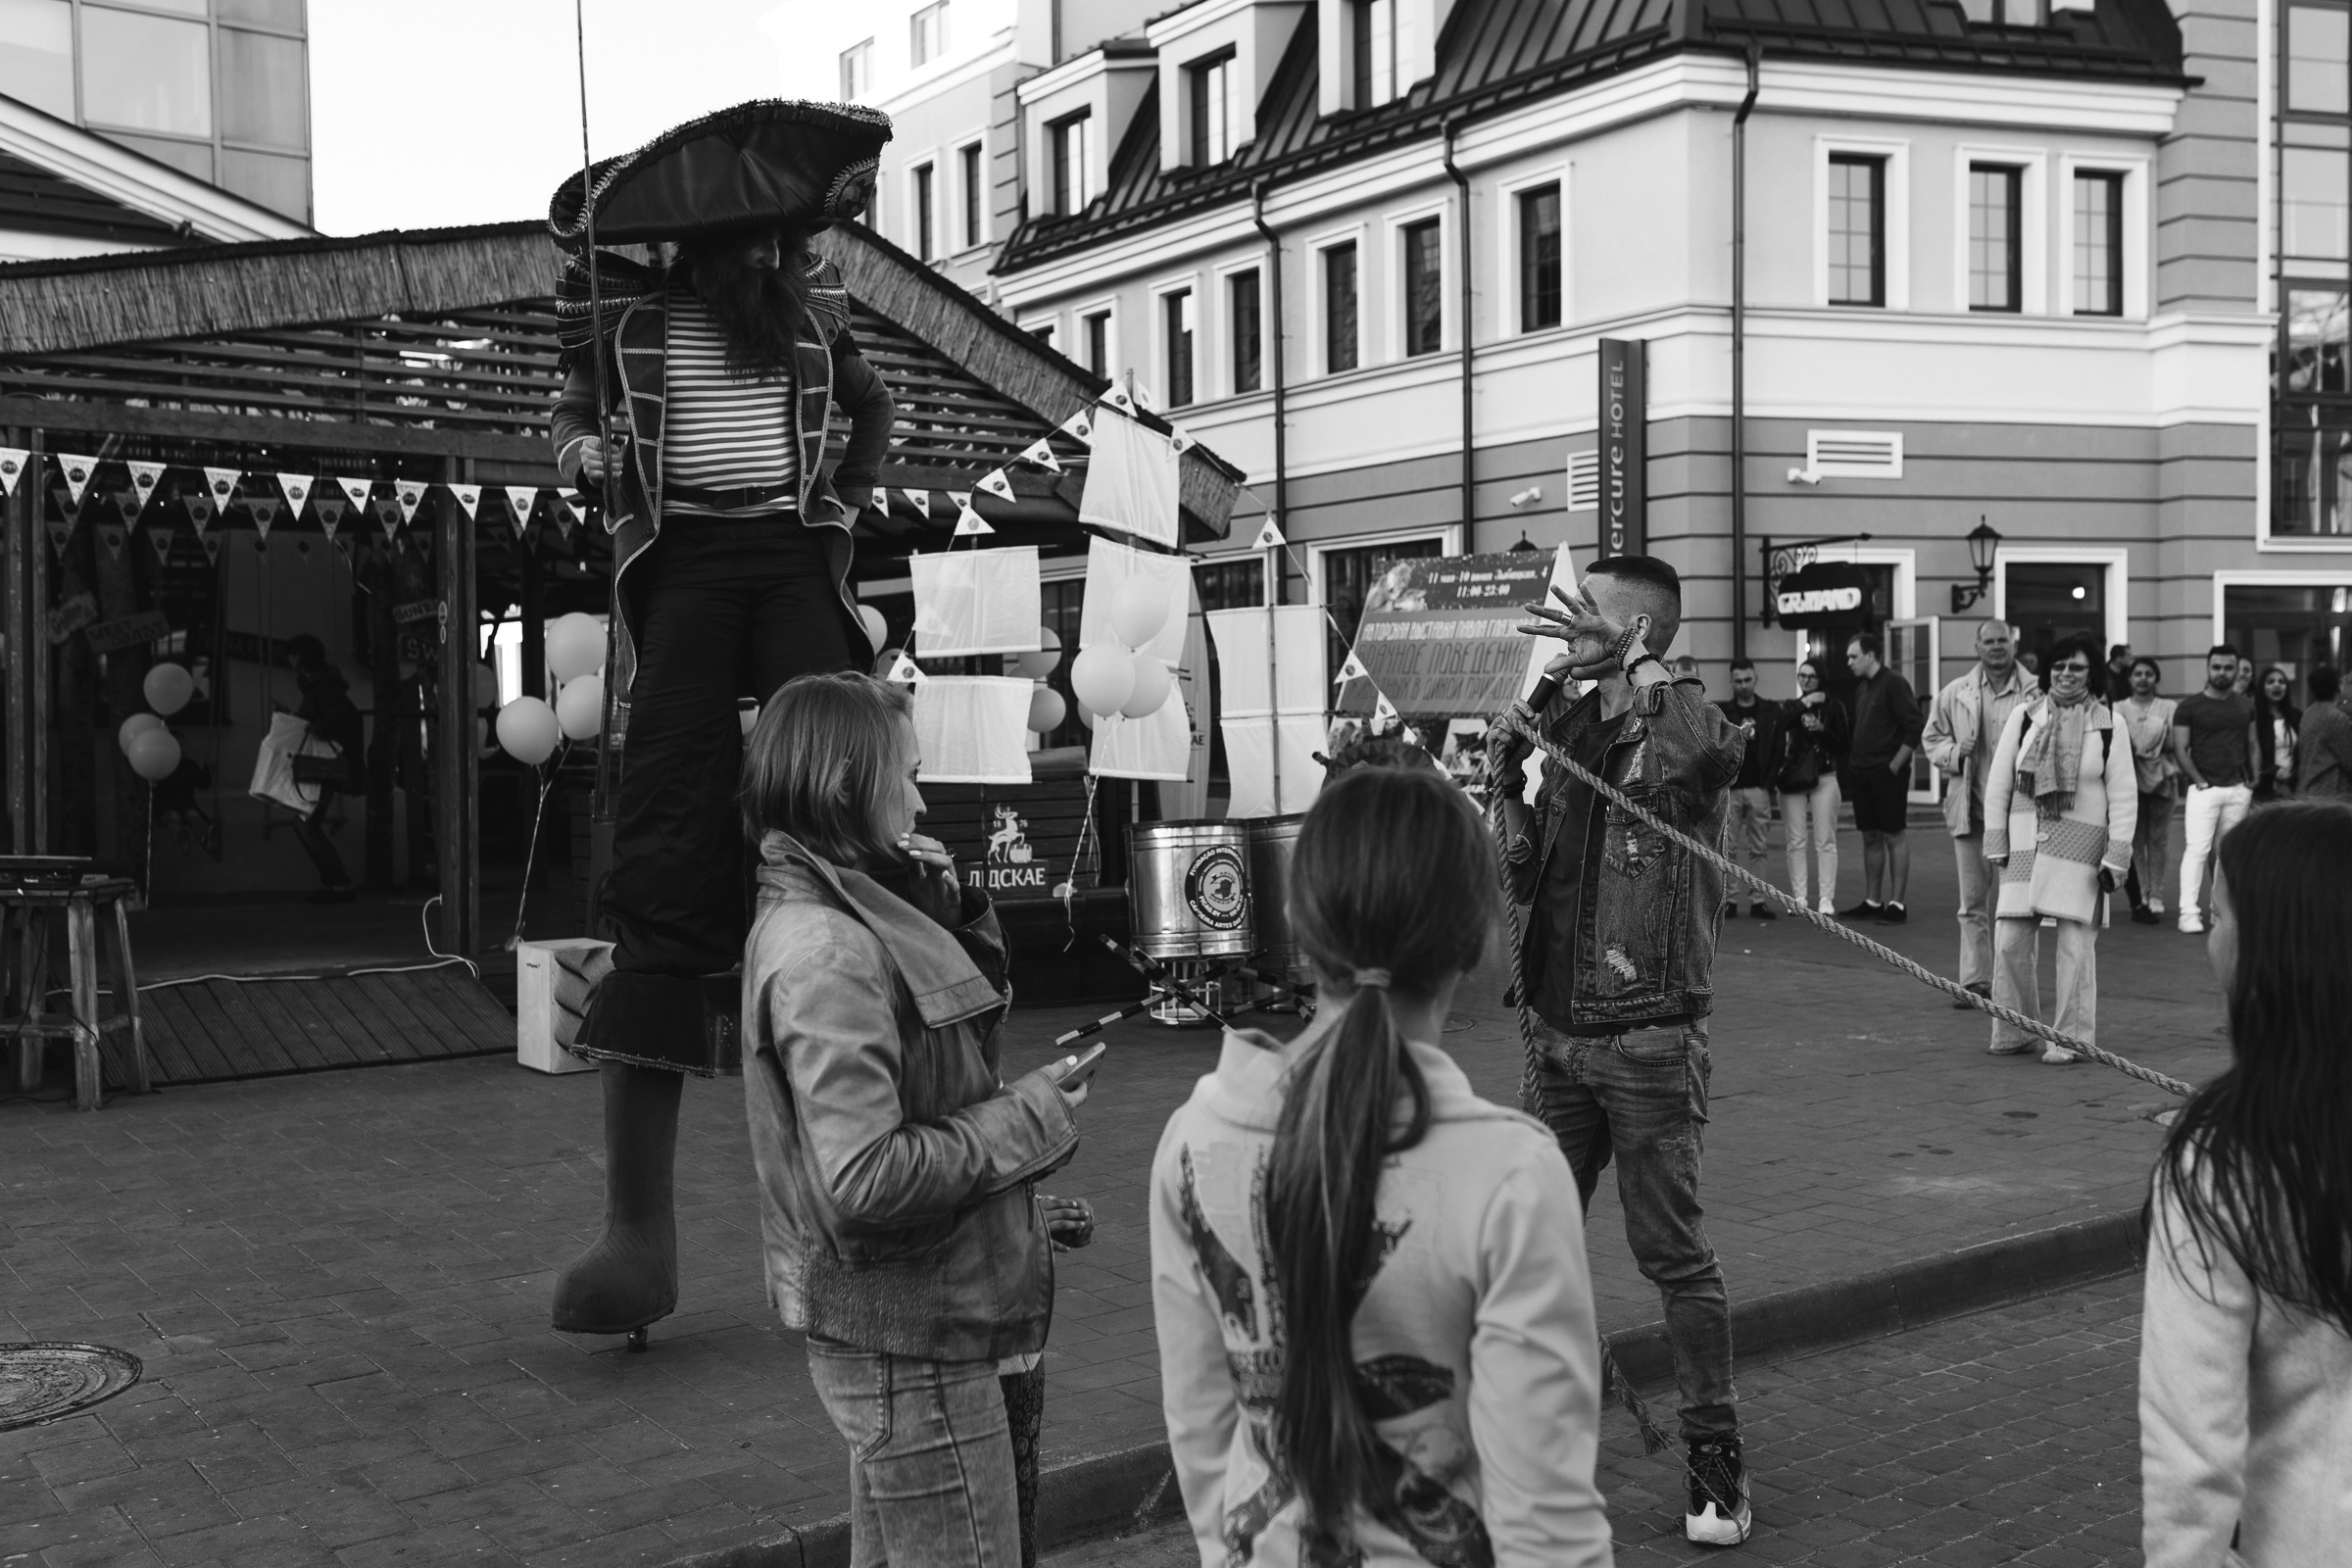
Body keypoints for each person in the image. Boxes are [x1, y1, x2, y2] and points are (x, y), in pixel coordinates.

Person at [545, 131, 899, 1339]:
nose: (761, 254)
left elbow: (875, 412)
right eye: (739, 237)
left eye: (774, 236)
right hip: (685, 560)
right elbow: (572, 410)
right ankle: (637, 1238)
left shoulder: (811, 319)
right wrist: (585, 449)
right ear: (697, 247)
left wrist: (842, 503)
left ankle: (885, 1175)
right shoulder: (630, 323)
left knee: (839, 794)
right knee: (664, 825)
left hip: (792, 554)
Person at [1151, 767, 1611, 1567]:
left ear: (1297, 919)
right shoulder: (1510, 1175)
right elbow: (1548, 1526)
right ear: (1475, 941)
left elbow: (1202, 1430)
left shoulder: (1194, 1140)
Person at [740, 672, 1090, 1565]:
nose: (921, 797)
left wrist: (949, 911)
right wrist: (1030, 1120)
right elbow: (863, 1177)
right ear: (847, 788)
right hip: (908, 1331)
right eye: (908, 774)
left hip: (908, 1316)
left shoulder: (851, 914)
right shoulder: (827, 948)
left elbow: (943, 1051)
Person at [1488, 555, 1753, 1545]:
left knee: (1673, 1257)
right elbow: (1520, 864)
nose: (1563, 620)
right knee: (1527, 1253)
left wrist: (1644, 675)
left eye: (1587, 609)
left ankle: (1715, 1452)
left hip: (1646, 1039)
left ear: (1640, 631)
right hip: (1554, 1038)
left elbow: (1709, 758)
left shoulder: (1675, 720)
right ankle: (1522, 1441)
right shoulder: (1566, 719)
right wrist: (1504, 775)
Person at [2140, 801, 2352, 1568]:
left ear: (2272, 948)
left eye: (2218, 915)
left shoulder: (2223, 1161)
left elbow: (2190, 1457)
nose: (2209, 939)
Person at [1980, 634, 2136, 1064]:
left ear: (2093, 674)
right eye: (2060, 666)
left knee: (2075, 952)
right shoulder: (2024, 718)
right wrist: (1996, 840)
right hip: (2024, 849)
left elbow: (2124, 796)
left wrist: (2117, 855)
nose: (2066, 674)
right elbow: (1999, 784)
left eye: (2077, 667)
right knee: (2010, 944)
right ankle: (2015, 1033)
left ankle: (2070, 1040)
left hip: (2082, 853)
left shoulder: (2109, 724)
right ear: (2048, 671)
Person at [1922, 618, 2034, 1005]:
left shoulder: (2036, 692)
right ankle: (1975, 982)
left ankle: (2013, 982)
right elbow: (1931, 738)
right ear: (1977, 646)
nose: (1996, 647)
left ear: (2014, 644)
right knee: (1972, 904)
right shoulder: (1956, 692)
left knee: (2017, 905)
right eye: (1989, 641)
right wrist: (1956, 753)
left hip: (2019, 816)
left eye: (2003, 640)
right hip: (1971, 812)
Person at [2171, 645, 2260, 936]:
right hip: (2204, 788)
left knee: (2228, 854)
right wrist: (2199, 780)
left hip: (2237, 788)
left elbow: (2253, 744)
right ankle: (2188, 913)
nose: (2222, 672)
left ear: (2236, 669)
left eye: (2228, 667)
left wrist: (2253, 780)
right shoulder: (2189, 706)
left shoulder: (2245, 705)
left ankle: (2219, 912)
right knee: (2197, 850)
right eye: (2217, 667)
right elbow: (2180, 749)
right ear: (2208, 669)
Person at [1839, 630, 1924, 924]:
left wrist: (1894, 766)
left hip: (1886, 774)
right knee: (1870, 836)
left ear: (1871, 656)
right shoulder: (1863, 687)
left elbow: (1914, 726)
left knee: (1893, 835)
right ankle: (1873, 900)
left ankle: (1897, 905)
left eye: (1853, 656)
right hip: (1862, 772)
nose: (1848, 662)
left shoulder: (1894, 683)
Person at [283, 634, 363, 904]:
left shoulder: (323, 687)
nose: (289, 660)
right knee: (306, 822)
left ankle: (339, 884)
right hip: (324, 766)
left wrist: (311, 725)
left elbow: (343, 720)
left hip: (324, 767)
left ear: (301, 657)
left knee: (306, 823)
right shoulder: (320, 685)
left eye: (292, 654)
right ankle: (335, 884)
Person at [1774, 658, 1849, 914]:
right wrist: (1805, 704)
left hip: (1825, 775)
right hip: (1793, 776)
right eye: (1802, 675)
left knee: (1825, 839)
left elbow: (1843, 745)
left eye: (1811, 676)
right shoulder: (1791, 706)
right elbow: (1779, 726)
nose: (1805, 680)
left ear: (1821, 679)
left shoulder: (1835, 707)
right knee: (1795, 839)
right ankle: (1799, 898)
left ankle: (1826, 899)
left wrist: (1822, 728)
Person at [1716, 657, 1784, 919]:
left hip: (1759, 787)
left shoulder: (1770, 711)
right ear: (1731, 682)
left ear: (1755, 679)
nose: (1743, 685)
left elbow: (1778, 750)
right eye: (1738, 681)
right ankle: (1730, 900)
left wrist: (1768, 784)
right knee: (1728, 847)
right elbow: (1718, 748)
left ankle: (1758, 899)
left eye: (1747, 680)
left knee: (1759, 847)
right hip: (1730, 788)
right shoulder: (1723, 712)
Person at [2116, 657, 2179, 924]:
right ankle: (2141, 893)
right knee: (2135, 840)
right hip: (2130, 778)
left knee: (2159, 838)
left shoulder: (2168, 706)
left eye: (2148, 674)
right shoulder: (2118, 707)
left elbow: (2174, 742)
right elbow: (2118, 744)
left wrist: (2151, 739)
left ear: (2156, 678)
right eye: (2137, 673)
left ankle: (2156, 895)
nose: (2143, 678)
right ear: (2129, 679)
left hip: (2162, 777)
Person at [2296, 665, 2352, 798]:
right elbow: (2349, 761)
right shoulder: (2335, 717)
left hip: (2308, 788)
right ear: (2337, 686)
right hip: (2328, 791)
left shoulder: (2309, 713)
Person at [2252, 665, 2300, 801]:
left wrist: (2291, 775)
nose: (2277, 685)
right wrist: (2275, 772)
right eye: (2271, 682)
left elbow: (2302, 752)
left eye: (2281, 681)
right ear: (2262, 687)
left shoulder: (2296, 716)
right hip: (2265, 786)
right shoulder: (2256, 717)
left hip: (2293, 785)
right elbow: (2252, 751)